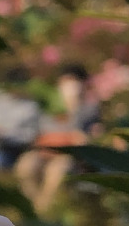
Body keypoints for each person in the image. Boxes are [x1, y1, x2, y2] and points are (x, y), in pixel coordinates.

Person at [17, 64, 100, 214]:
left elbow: (85, 139)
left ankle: (44, 210)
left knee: (56, 171)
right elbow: (38, 136)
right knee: (26, 166)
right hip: (43, 152)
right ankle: (34, 206)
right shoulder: (48, 106)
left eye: (74, 81)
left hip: (70, 158)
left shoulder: (90, 109)